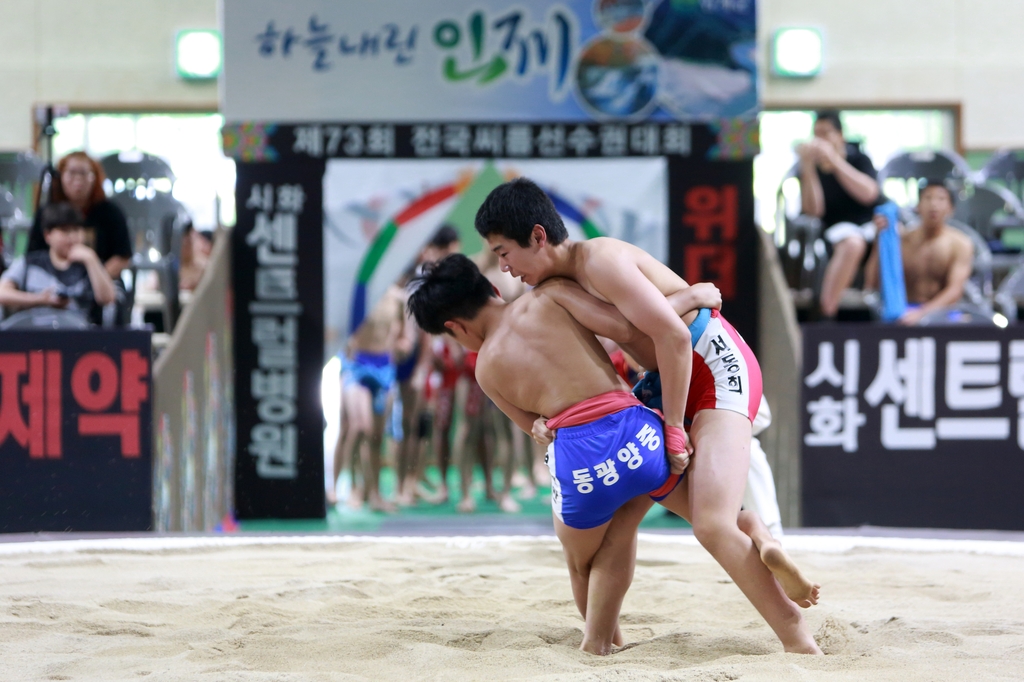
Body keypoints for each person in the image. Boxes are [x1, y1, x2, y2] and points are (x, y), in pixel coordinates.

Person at [408, 255, 820, 656]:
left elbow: (535, 429)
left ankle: (601, 643)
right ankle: (769, 561)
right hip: (639, 435)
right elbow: (626, 326)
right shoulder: (551, 295)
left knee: (583, 562)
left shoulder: (485, 370)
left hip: (582, 461)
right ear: (493, 288)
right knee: (714, 518)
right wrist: (691, 297)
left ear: (454, 327)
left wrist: (539, 422)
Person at [796, 111, 881, 319]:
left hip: (871, 222)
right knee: (853, 243)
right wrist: (808, 167)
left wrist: (835, 162)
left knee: (893, 233)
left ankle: (876, 304)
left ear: (840, 135)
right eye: (817, 134)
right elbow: (814, 210)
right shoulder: (811, 167)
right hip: (837, 228)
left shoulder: (859, 159)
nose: (821, 139)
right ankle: (827, 311)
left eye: (826, 133)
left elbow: (870, 194)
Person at [330, 288, 405, 511]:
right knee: (359, 427)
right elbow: (337, 326)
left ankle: (373, 493)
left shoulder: (397, 298)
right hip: (356, 364)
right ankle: (343, 486)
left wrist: (398, 346)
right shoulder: (357, 291)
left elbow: (406, 337)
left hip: (383, 367)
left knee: (376, 437)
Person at [864, 179, 974, 326]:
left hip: (942, 312)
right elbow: (872, 283)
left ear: (950, 208)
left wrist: (923, 313)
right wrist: (881, 240)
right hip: (904, 310)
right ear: (918, 206)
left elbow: (955, 290)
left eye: (941, 199)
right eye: (928, 198)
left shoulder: (961, 244)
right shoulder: (901, 240)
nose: (934, 204)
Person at [0, 202, 115, 319]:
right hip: (35, 331)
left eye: (76, 230)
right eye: (65, 230)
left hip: (78, 332)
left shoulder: (89, 264)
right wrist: (40, 299)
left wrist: (91, 260)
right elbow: (2, 293)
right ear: (48, 235)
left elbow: (108, 298)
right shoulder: (30, 262)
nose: (72, 237)